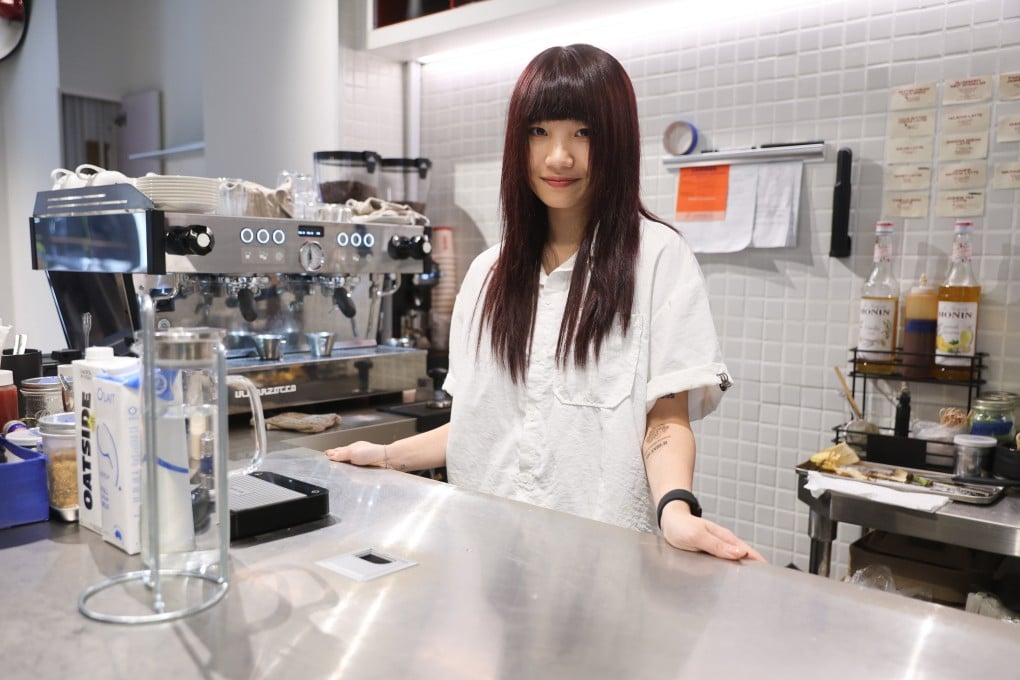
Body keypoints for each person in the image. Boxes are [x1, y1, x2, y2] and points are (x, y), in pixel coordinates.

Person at [326, 43, 764, 563]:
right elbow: (480, 424)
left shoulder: (658, 260)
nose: (559, 156)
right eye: (540, 133)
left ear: (617, 143)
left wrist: (675, 509)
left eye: (583, 132)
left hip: (604, 567)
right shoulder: (488, 274)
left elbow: (665, 420)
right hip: (483, 560)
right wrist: (388, 456)